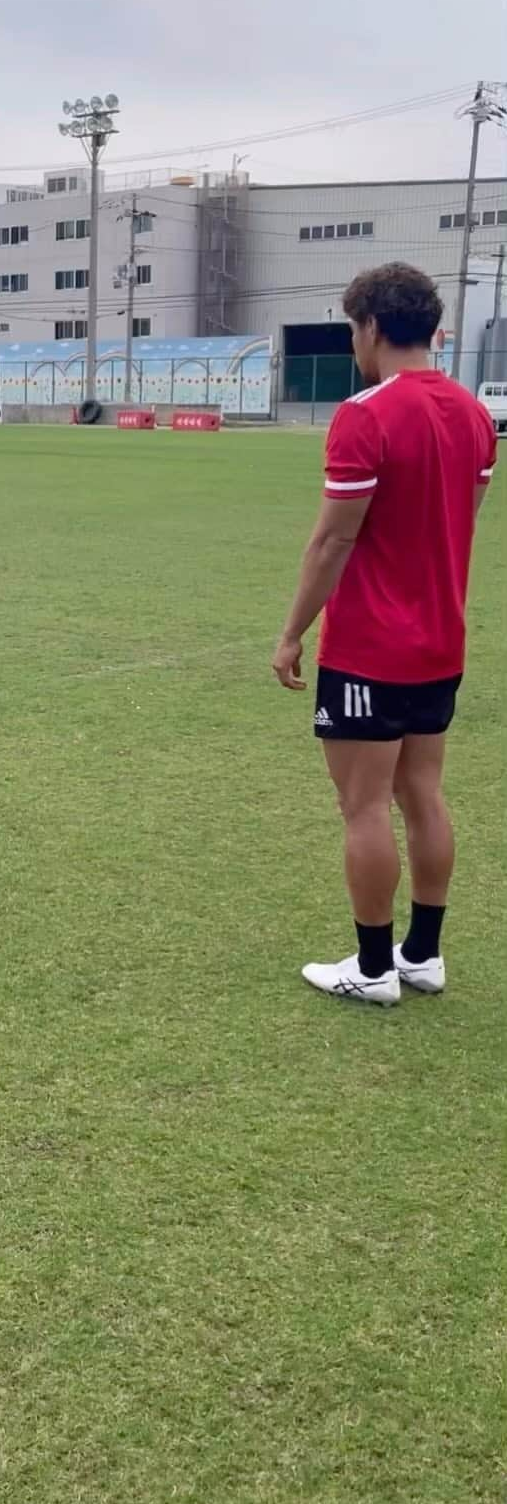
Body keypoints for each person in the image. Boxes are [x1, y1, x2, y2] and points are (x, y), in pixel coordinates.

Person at [273, 263, 496, 1005]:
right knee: (424, 793)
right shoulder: (472, 415)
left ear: (369, 327)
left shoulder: (365, 414)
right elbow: (462, 517)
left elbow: (333, 541)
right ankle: (422, 955)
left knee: (364, 806)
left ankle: (372, 969)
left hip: (372, 647)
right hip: (441, 642)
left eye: (351, 329)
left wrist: (292, 632)